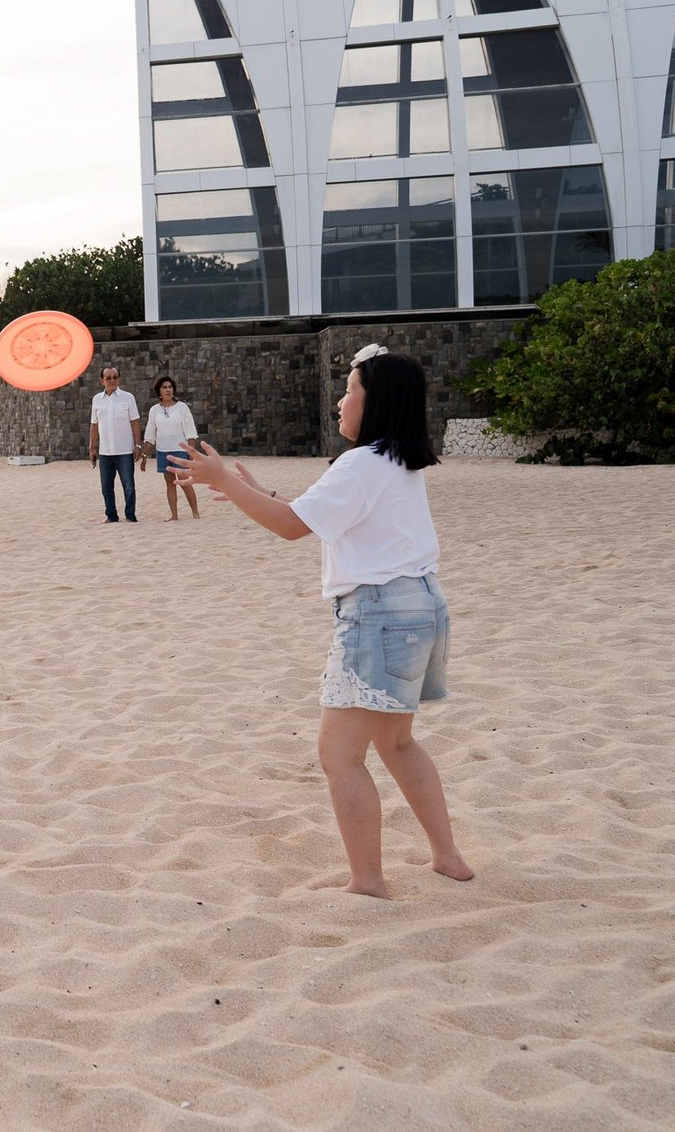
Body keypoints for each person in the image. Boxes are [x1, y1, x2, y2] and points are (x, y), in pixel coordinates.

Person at [174, 345, 473, 900]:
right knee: (398, 745)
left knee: (339, 755)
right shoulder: (396, 461)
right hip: (422, 606)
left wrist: (226, 479)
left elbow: (291, 527)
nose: (341, 400)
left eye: (351, 390)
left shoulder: (360, 463)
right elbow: (317, 514)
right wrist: (249, 490)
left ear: (375, 403)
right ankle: (447, 856)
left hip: (378, 614)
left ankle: (367, 881)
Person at [88, 366, 144, 523]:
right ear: (102, 381)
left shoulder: (128, 398)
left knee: (129, 486)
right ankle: (111, 516)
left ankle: (130, 516)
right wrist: (92, 446)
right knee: (106, 487)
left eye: (115, 377)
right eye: (108, 378)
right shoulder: (96, 400)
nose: (112, 380)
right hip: (105, 452)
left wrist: (137, 445)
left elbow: (135, 422)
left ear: (119, 379)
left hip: (125, 450)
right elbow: (94, 425)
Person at [145, 376, 201, 522]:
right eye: (164, 387)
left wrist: (191, 452)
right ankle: (174, 515)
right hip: (163, 451)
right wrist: (145, 455)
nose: (168, 390)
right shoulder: (154, 410)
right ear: (159, 391)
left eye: (170, 387)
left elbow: (190, 432)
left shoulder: (182, 408)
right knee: (170, 483)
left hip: (180, 451)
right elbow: (150, 433)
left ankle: (195, 512)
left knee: (184, 481)